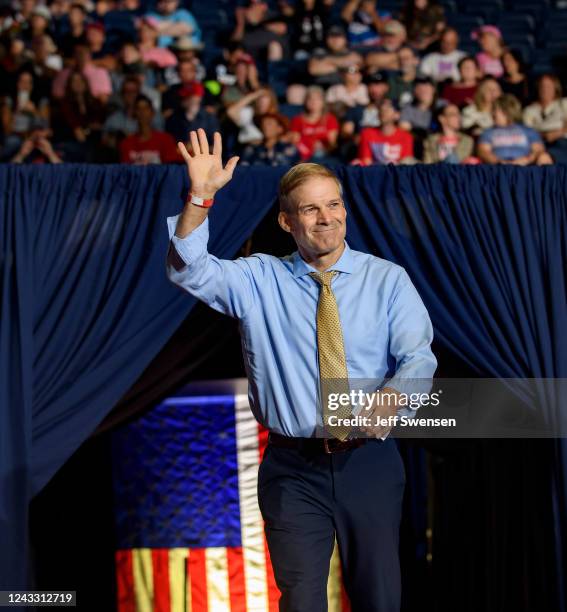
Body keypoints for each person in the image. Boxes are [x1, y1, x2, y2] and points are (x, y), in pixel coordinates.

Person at [166, 128, 436, 611]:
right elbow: (188, 269)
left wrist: (395, 396)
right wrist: (201, 197)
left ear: (345, 210)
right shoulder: (258, 279)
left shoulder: (387, 279)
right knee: (301, 600)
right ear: (287, 222)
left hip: (368, 463)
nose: (326, 218)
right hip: (292, 468)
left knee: (380, 598)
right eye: (310, 209)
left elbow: (418, 358)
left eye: (332, 205)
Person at [477, 94, 552, 165]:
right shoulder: (488, 132)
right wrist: (500, 162)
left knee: (544, 157)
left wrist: (526, 160)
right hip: (498, 168)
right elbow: (484, 152)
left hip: (525, 167)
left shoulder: (527, 130)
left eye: (495, 110)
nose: (492, 114)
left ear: (506, 112)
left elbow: (538, 150)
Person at [119, 94, 180, 163]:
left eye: (146, 108)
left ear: (152, 112)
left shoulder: (166, 140)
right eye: (138, 109)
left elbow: (171, 168)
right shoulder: (126, 143)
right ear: (134, 113)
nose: (142, 112)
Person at [523, 73, 567, 164]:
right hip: (538, 142)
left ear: (556, 88)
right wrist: (545, 136)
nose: (545, 89)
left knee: (544, 158)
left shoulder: (563, 103)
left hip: (562, 142)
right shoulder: (529, 110)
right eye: (542, 86)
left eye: (548, 86)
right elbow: (527, 132)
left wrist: (558, 133)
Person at [358, 98, 415, 165]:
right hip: (373, 173)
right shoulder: (367, 133)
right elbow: (366, 160)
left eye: (387, 109)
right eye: (381, 110)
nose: (383, 112)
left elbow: (406, 163)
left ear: (397, 115)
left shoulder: (406, 137)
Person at [290, 85, 339, 160]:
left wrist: (322, 146)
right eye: (310, 99)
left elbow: (331, 144)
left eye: (317, 99)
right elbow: (295, 142)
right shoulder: (297, 120)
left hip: (324, 156)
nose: (313, 102)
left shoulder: (330, 119)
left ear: (323, 102)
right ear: (305, 102)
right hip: (302, 156)